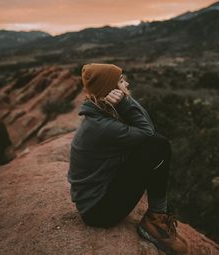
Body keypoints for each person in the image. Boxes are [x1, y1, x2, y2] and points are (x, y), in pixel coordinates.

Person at [67, 63, 189, 255]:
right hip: (99, 211)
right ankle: (155, 220)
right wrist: (124, 102)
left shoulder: (100, 114)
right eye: (122, 81)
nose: (127, 84)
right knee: (158, 145)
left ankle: (157, 215)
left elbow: (147, 129)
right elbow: (149, 133)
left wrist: (123, 101)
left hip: (95, 201)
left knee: (154, 144)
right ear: (111, 91)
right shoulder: (103, 127)